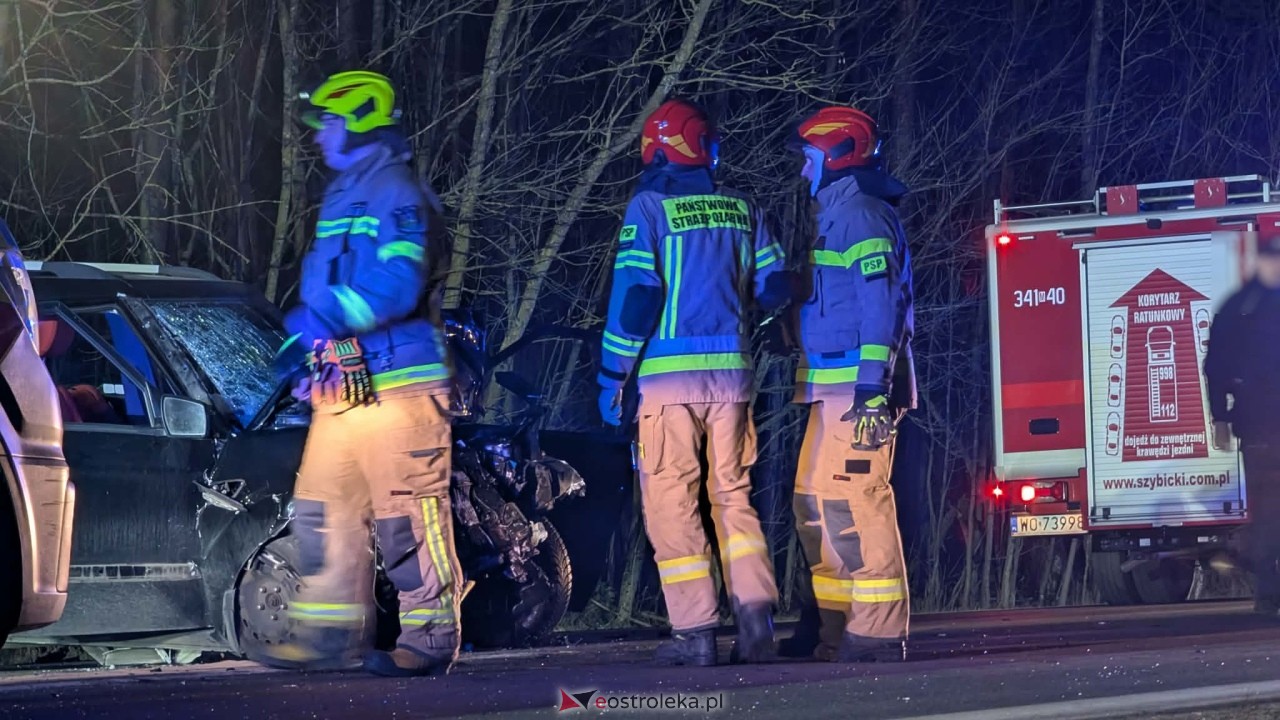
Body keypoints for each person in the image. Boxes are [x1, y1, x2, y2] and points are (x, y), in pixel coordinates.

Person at [264, 69, 460, 678]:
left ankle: (430, 638)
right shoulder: (342, 195)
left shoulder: (396, 192)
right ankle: (330, 638)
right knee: (321, 512)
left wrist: (318, 324)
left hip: (402, 384)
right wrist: (314, 357)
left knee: (408, 518)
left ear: (360, 120)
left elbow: (396, 284)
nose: (319, 135)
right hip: (344, 387)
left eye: (329, 121)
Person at [596, 97, 791, 666]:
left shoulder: (649, 208)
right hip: (732, 380)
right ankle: (756, 624)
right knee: (733, 498)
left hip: (667, 384)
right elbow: (776, 287)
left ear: (656, 148)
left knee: (671, 503)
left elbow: (638, 297)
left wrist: (611, 376)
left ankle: (695, 634)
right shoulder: (744, 208)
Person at [781, 105, 917, 663]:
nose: (803, 170)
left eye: (809, 158)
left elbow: (882, 305)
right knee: (816, 505)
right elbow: (838, 303)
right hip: (829, 387)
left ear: (837, 156)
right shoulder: (838, 216)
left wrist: (872, 389)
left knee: (858, 502)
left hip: (859, 391)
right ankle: (835, 627)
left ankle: (878, 632)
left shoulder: (862, 216)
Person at [1204, 232, 1280, 616]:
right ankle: (1268, 596)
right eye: (1272, 261)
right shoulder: (1240, 308)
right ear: (1260, 262)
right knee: (1267, 514)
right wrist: (1219, 416)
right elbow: (1216, 366)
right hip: (1260, 425)